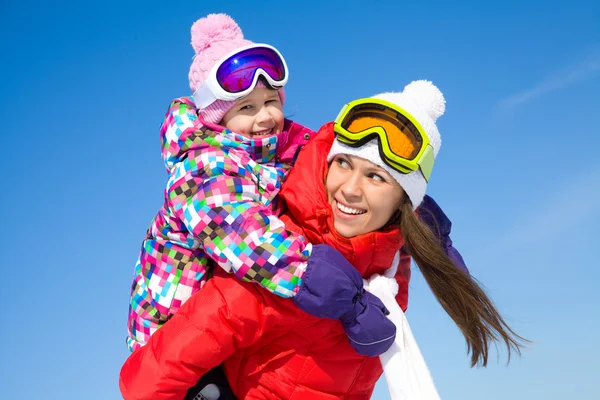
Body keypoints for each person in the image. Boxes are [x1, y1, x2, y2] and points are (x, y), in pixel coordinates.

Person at [120, 80, 526, 400]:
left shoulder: (388, 267)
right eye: (343, 163)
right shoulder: (277, 267)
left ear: (405, 198)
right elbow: (144, 382)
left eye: (375, 177)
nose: (349, 189)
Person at [127, 13, 400, 359]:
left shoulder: (276, 153)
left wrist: (401, 191)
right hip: (172, 334)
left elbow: (328, 165)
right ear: (218, 119)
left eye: (271, 101)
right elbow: (244, 237)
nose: (265, 116)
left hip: (224, 324)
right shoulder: (202, 167)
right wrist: (330, 288)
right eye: (247, 107)